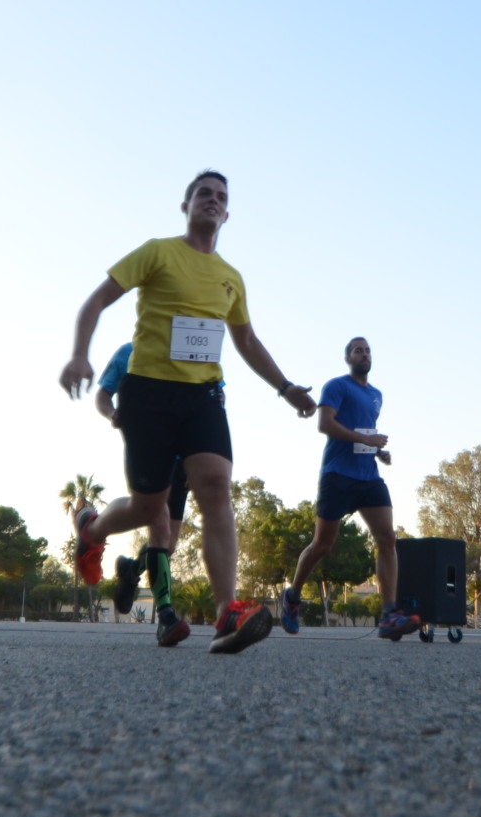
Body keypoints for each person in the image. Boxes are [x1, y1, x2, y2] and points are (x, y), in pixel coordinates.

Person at [60, 170, 314, 653]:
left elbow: (247, 340)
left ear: (227, 213)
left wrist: (285, 388)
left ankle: (226, 613)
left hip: (204, 396)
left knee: (216, 484)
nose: (213, 200)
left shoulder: (231, 277)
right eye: (204, 193)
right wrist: (79, 355)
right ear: (186, 205)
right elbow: (97, 300)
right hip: (148, 394)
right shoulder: (157, 252)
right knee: (149, 507)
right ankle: (91, 529)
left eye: (221, 196)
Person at [288, 336, 405, 637]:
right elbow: (325, 424)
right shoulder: (336, 386)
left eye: (367, 351)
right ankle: (293, 595)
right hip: (337, 475)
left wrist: (376, 450)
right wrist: (366, 439)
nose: (364, 354)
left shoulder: (377, 395)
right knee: (322, 546)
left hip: (369, 477)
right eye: (357, 350)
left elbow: (364, 430)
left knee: (387, 538)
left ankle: (389, 615)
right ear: (348, 358)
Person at [93, 340, 189, 620]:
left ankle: (132, 569)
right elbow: (102, 395)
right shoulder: (127, 352)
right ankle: (167, 615)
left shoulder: (191, 347)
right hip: (147, 450)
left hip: (184, 458)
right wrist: (112, 413)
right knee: (158, 522)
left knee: (168, 545)